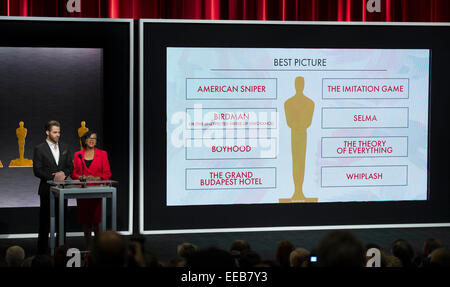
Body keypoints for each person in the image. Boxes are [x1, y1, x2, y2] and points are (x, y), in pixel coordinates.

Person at [33, 120, 73, 255]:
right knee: (45, 223)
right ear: (47, 132)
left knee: (62, 222)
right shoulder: (39, 148)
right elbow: (37, 170)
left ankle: (61, 251)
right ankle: (42, 253)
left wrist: (64, 174)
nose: (58, 135)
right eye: (55, 132)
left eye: (59, 132)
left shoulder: (65, 147)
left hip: (62, 190)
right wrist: (52, 178)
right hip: (46, 190)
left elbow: (70, 167)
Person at [72, 130, 112, 250]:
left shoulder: (103, 154)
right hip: (83, 192)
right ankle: (88, 248)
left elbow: (107, 173)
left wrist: (98, 177)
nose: (91, 140)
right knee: (85, 222)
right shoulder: (78, 154)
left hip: (96, 191)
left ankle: (99, 248)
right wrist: (80, 177)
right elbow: (74, 173)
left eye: (94, 139)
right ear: (84, 140)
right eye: (89, 138)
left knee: (96, 221)